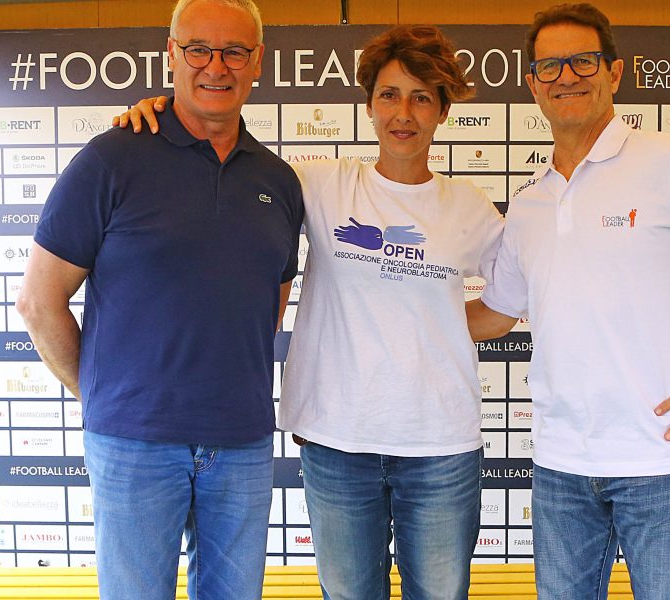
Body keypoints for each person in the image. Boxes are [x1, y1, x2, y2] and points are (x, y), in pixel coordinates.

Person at [119, 24, 505, 600]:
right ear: (370, 106)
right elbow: (226, 166)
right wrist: (165, 113)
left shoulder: (469, 207)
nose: (403, 113)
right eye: (389, 95)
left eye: (422, 97)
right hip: (335, 440)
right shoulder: (318, 184)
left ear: (443, 111)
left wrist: (438, 324)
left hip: (440, 446)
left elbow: (506, 307)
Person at [465, 4, 670, 599]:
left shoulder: (669, 160)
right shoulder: (530, 202)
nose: (566, 76)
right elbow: (495, 314)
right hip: (561, 466)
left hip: (660, 462)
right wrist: (401, 314)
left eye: (583, 62)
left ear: (614, 73)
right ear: (533, 83)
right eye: (549, 66)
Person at [16, 0, 304, 598]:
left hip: (242, 441)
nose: (215, 66)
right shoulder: (111, 159)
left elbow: (267, 309)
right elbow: (40, 302)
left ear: (258, 62)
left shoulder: (278, 180)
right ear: (171, 54)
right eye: (198, 49)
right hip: (134, 444)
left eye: (234, 52)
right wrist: (102, 395)